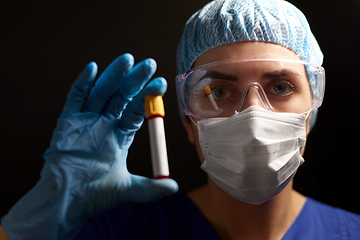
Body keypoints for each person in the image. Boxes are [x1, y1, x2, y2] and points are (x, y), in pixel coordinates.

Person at [1, 0, 360, 239]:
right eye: (218, 92)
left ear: (311, 110)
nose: (254, 114)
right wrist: (20, 232)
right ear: (188, 121)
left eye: (280, 86)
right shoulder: (119, 233)